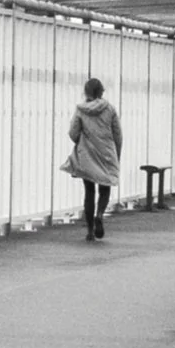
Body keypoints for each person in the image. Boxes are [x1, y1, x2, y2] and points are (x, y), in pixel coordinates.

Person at [68, 76, 122, 238]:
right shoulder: (110, 109)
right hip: (106, 152)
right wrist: (116, 154)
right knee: (105, 188)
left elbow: (73, 132)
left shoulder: (81, 109)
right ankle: (99, 215)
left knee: (89, 191)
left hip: (87, 154)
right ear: (101, 92)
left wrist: (82, 142)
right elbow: (118, 134)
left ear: (86, 92)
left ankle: (90, 230)